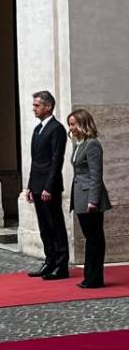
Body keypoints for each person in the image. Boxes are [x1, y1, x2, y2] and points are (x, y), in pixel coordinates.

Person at [26, 91, 69, 280]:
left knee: (55, 225)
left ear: (48, 106)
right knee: (44, 226)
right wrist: (29, 186)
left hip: (48, 187)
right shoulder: (38, 129)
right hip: (37, 185)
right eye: (34, 105)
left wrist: (48, 187)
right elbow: (35, 161)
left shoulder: (57, 129)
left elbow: (56, 160)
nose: (33, 108)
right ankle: (49, 260)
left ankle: (61, 266)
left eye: (37, 105)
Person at [67, 109, 111, 289]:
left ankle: (94, 278)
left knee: (94, 238)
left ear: (83, 124)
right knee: (90, 237)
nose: (71, 128)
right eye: (70, 124)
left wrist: (93, 200)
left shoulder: (92, 144)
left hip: (90, 198)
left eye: (73, 124)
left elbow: (96, 175)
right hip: (80, 195)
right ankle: (90, 276)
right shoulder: (79, 144)